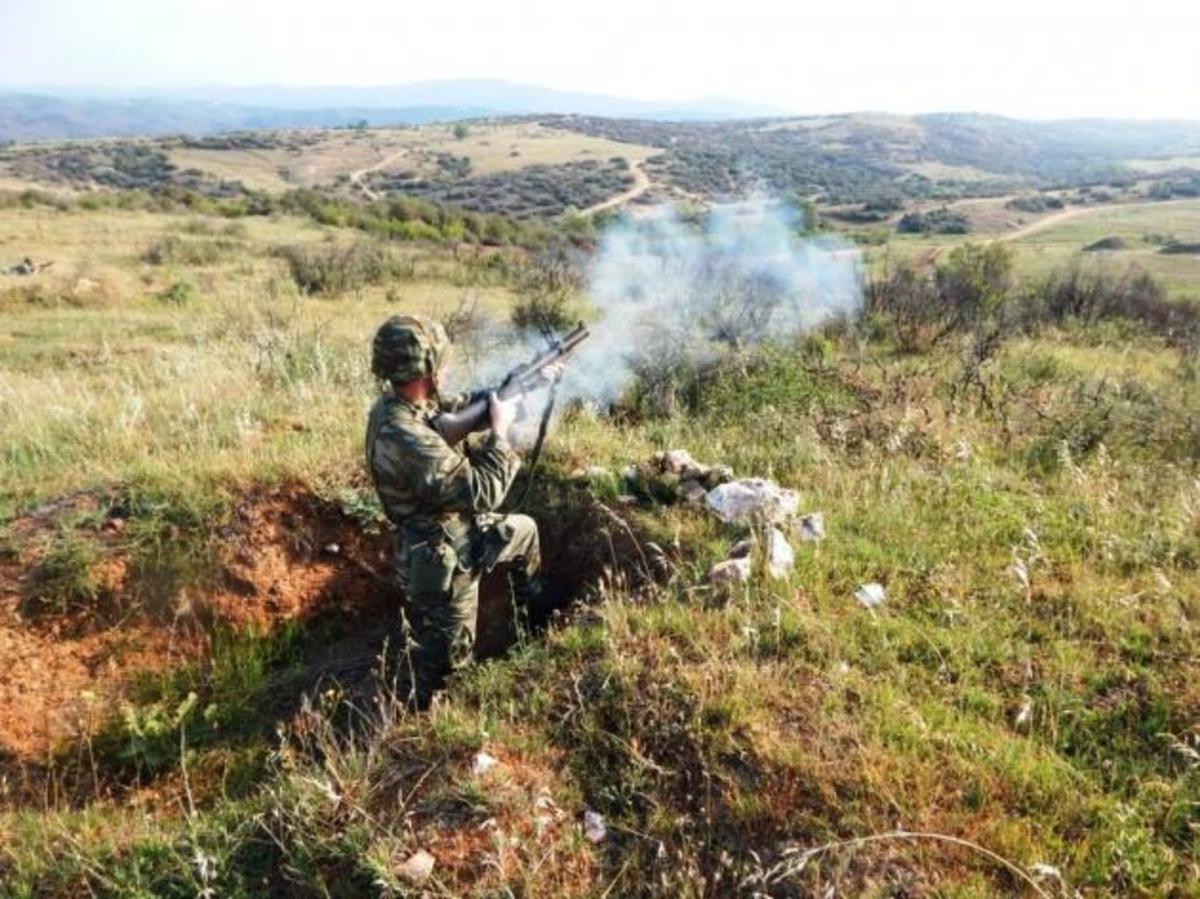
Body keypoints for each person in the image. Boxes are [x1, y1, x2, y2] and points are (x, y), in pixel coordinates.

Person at [365, 314, 554, 706]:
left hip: (463, 532)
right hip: (441, 563)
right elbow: (483, 492)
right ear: (427, 369)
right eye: (442, 362)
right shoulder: (402, 434)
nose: (448, 368)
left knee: (524, 531)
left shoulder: (408, 403)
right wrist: (500, 434)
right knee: (448, 672)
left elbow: (459, 406)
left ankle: (531, 622)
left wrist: (522, 385)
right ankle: (423, 734)